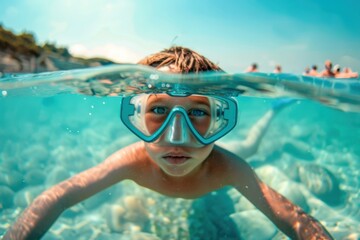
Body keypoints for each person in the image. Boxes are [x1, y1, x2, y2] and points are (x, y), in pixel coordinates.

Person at [3, 46, 333, 240]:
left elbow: (293, 219)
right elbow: (56, 198)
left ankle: (273, 111)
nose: (178, 137)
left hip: (223, 160)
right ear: (137, 115)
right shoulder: (130, 161)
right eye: (159, 110)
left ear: (220, 119)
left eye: (198, 113)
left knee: (251, 145)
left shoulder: (230, 167)